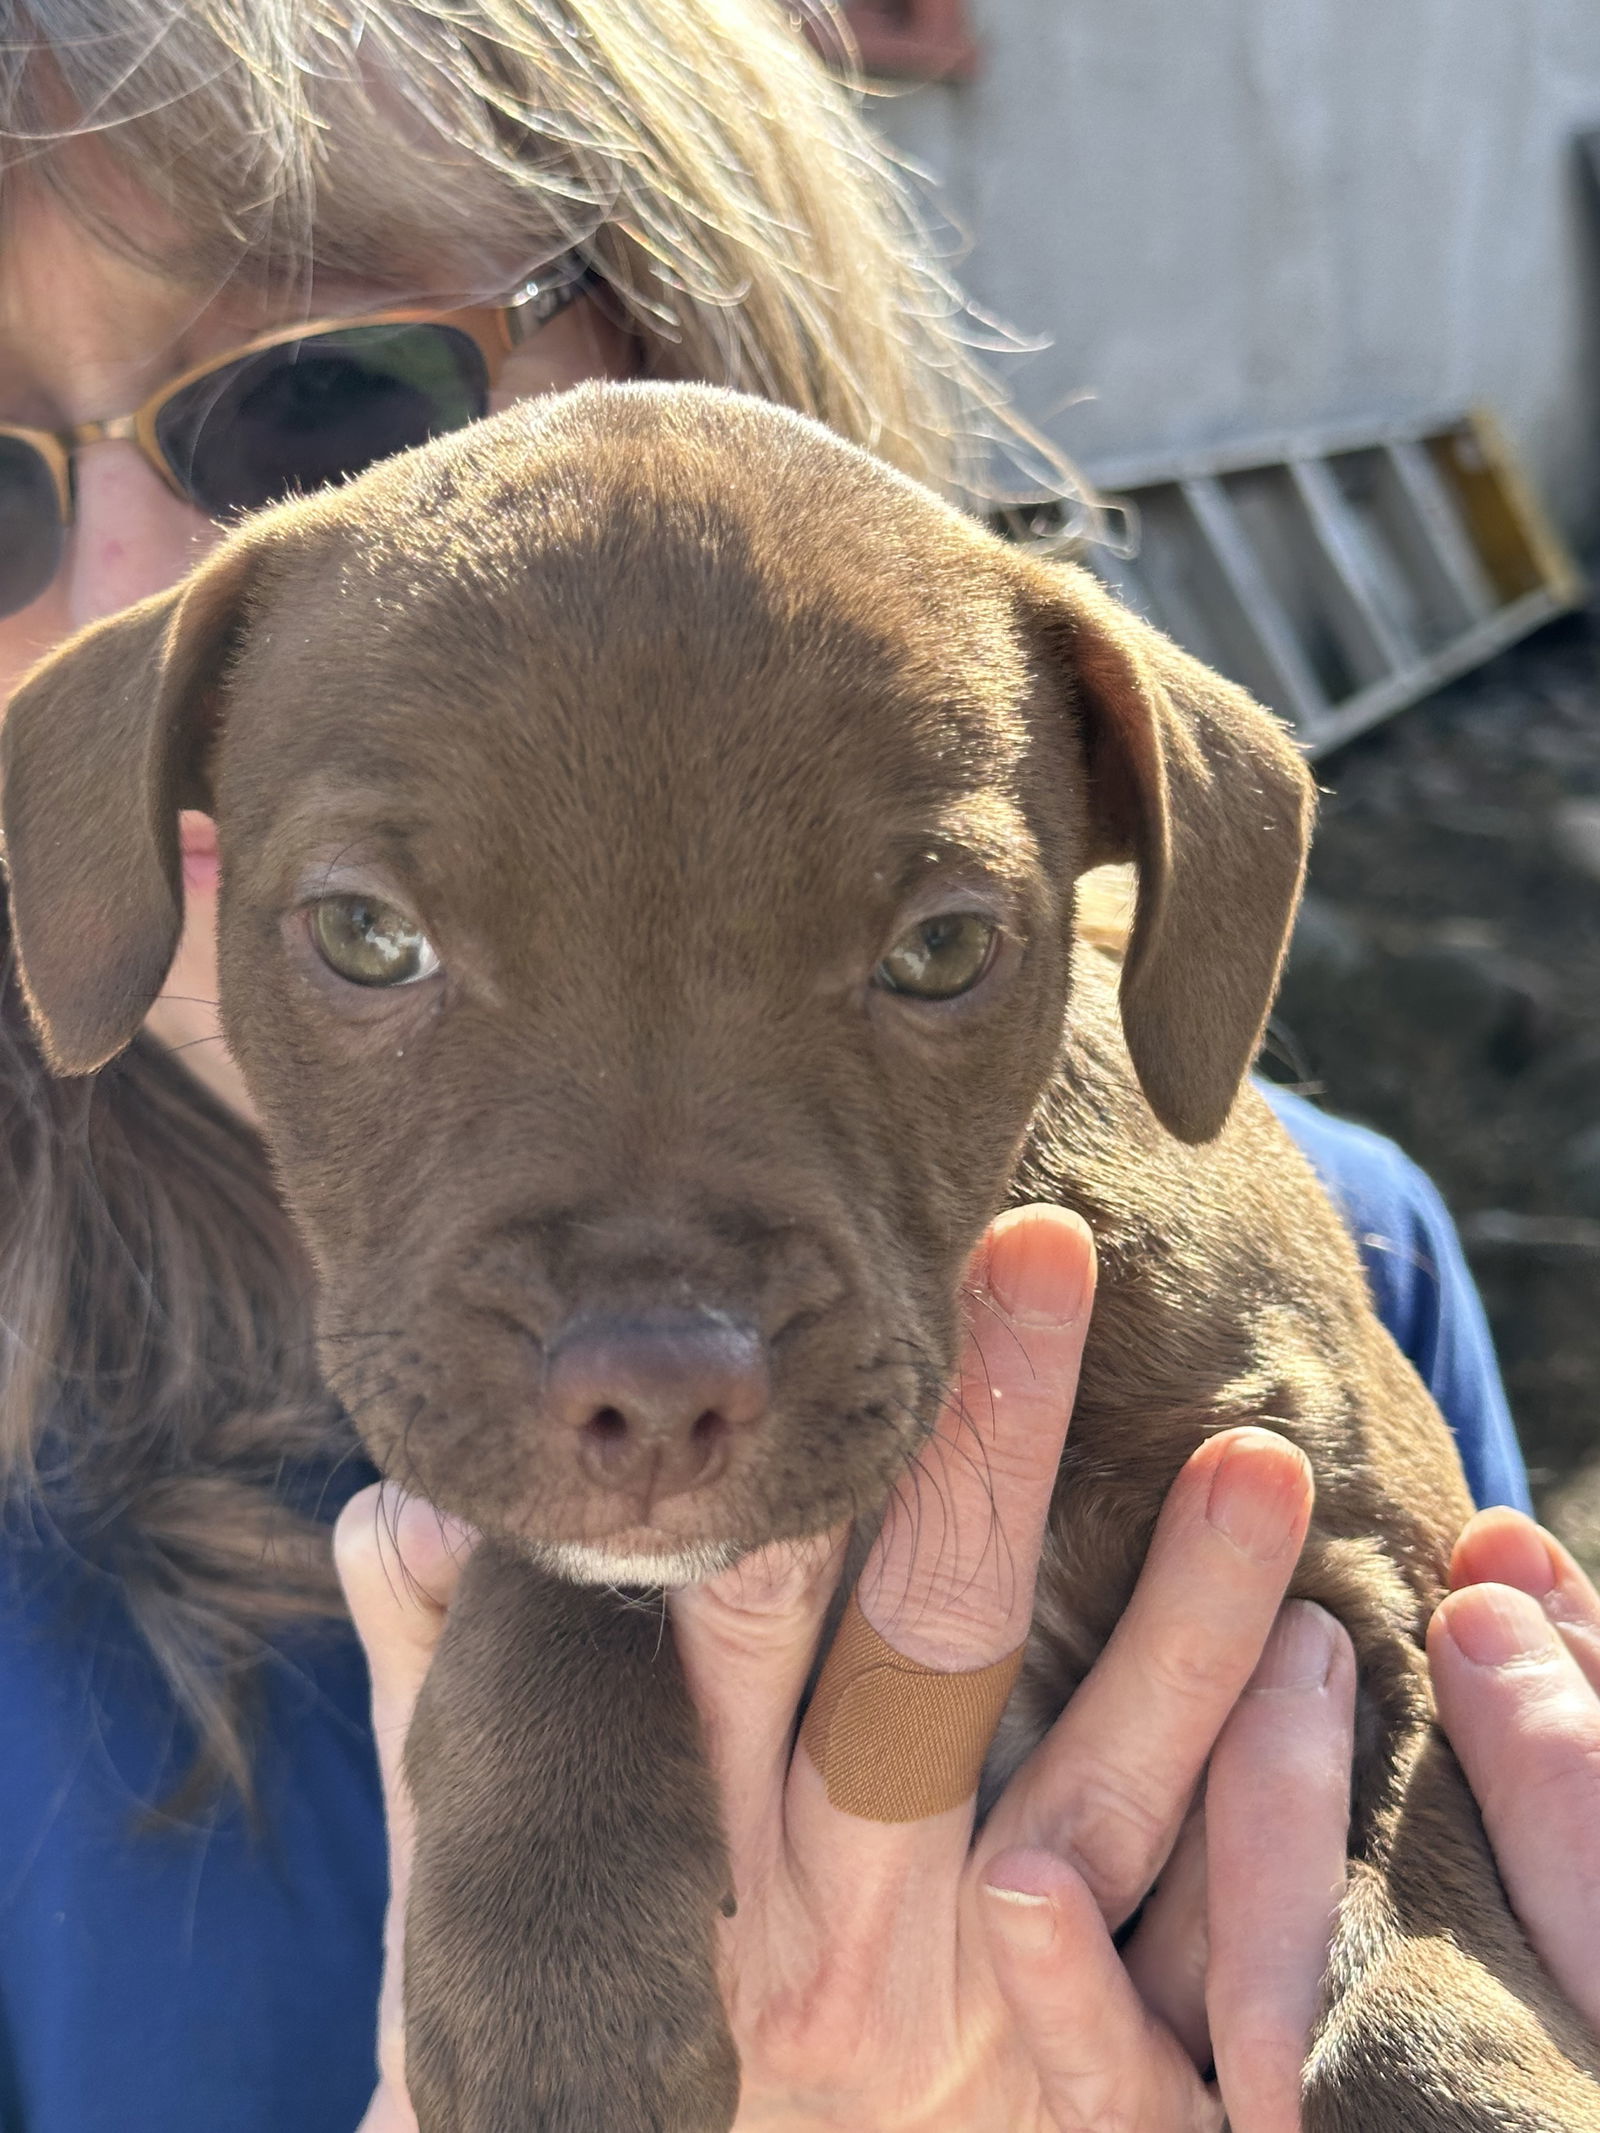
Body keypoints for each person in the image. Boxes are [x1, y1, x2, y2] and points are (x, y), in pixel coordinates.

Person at [0, 4, 1590, 2127]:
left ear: (689, 338)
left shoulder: (1334, 1249)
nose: (129, 577)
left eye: (331, 397)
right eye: (373, 939)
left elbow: (1415, 1771)